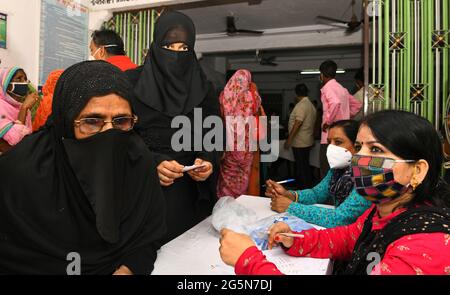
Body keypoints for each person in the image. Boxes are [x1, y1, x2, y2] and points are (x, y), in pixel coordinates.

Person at [220, 110, 450, 275]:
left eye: (376, 149)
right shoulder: (380, 211)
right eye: (360, 148)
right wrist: (296, 239)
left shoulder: (424, 247)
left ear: (417, 171)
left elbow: (339, 221)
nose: (359, 158)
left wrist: (249, 261)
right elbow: (349, 238)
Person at [0, 61, 166, 274]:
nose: (108, 134)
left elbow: (149, 234)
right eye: (92, 121)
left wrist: (129, 268)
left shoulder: (137, 159)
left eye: (121, 121)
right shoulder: (20, 173)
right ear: (66, 123)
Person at [125, 11, 222, 243]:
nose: (177, 56)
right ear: (156, 45)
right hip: (142, 185)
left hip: (188, 189)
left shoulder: (203, 87)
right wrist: (152, 162)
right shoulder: (130, 83)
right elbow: (120, 135)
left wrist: (206, 159)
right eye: (170, 47)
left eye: (184, 49)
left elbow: (212, 132)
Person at [267, 120, 371, 228]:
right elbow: (317, 194)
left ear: (357, 146)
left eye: (338, 142)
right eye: (329, 142)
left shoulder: (367, 177)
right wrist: (289, 195)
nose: (331, 148)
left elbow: (341, 218)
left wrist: (290, 207)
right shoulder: (338, 171)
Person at [217, 69, 264, 198]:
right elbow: (258, 108)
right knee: (243, 174)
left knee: (227, 174)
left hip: (228, 142)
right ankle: (240, 200)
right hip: (247, 143)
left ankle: (225, 202)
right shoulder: (251, 96)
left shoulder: (224, 95)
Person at [319, 60, 362, 178]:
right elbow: (357, 105)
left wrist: (328, 122)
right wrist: (346, 117)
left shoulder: (328, 87)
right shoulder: (341, 88)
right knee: (342, 169)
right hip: (344, 135)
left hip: (329, 136)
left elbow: (335, 102)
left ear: (321, 74)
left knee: (326, 169)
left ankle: (327, 195)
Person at [284, 83, 317, 189]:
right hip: (306, 140)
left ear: (296, 94)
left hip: (300, 142)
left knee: (302, 167)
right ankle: (306, 187)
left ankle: (304, 189)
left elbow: (298, 123)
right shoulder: (310, 105)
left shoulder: (302, 105)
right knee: (305, 167)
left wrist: (289, 139)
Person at [0, 67, 39, 153]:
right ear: (6, 83)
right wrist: (24, 108)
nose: (24, 82)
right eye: (19, 78)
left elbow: (26, 139)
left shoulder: (20, 107)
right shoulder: (1, 107)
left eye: (25, 79)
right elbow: (16, 141)